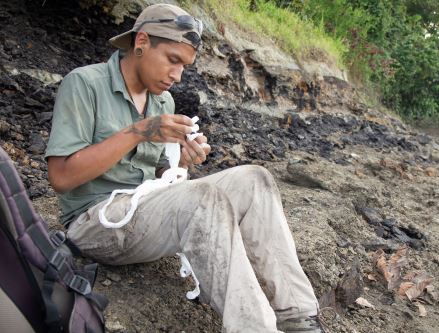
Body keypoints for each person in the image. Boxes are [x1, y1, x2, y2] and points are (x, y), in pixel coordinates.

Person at [45, 4, 324, 333]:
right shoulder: (85, 84)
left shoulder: (163, 101)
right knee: (202, 197)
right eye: (173, 60)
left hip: (143, 215)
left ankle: (299, 317)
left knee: (255, 179)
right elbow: (61, 177)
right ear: (142, 42)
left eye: (184, 66)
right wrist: (141, 131)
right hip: (94, 222)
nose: (177, 76)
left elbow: (160, 179)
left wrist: (182, 162)